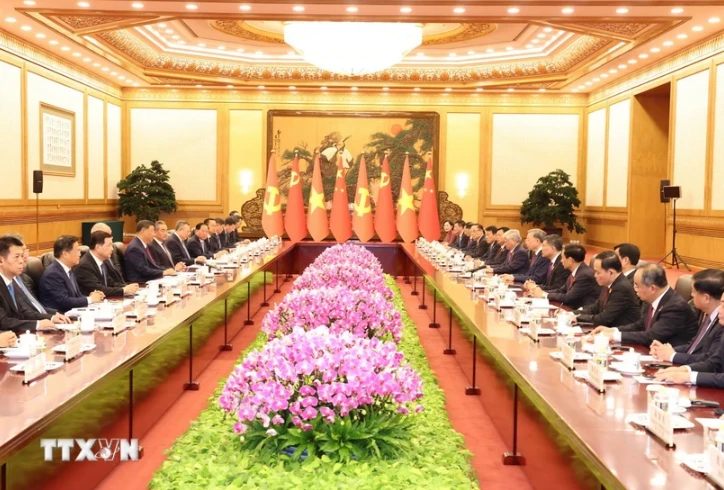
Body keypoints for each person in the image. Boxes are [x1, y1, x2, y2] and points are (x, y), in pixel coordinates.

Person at [591, 263, 699, 347]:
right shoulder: (653, 298)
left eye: (637, 285)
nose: (634, 289)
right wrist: (613, 330)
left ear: (652, 288)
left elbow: (652, 336)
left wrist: (614, 336)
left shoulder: (676, 307)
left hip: (672, 361)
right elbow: (640, 325)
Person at [650, 269, 724, 365]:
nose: (691, 295)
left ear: (706, 298)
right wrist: (667, 350)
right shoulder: (708, 314)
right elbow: (694, 345)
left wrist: (672, 356)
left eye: (693, 291)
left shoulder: (721, 321)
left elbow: (710, 359)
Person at [0, 235, 70, 332]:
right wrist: (37, 324)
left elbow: (23, 312)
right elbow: (3, 322)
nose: (21, 261)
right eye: (16, 257)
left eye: (21, 256)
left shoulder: (10, 281)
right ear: (1, 260)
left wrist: (51, 318)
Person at [38, 235, 105, 312]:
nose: (80, 254)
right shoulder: (53, 274)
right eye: (77, 251)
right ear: (65, 254)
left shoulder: (68, 269)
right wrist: (90, 299)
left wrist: (92, 296)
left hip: (73, 313)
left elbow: (76, 296)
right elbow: (64, 301)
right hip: (61, 317)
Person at [574, 251, 640, 327]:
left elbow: (604, 318)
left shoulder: (622, 288)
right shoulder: (608, 283)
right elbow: (595, 308)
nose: (595, 275)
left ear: (610, 272)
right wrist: (571, 313)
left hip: (621, 333)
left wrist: (577, 317)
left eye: (598, 272)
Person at [530, 243, 600, 309]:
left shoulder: (584, 275)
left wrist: (544, 295)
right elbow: (561, 290)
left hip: (581, 312)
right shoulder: (577, 271)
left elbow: (568, 297)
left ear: (570, 260)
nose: (561, 261)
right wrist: (538, 290)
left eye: (562, 258)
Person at [75, 231, 140, 297]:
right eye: (109, 245)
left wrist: (128, 287)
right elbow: (99, 289)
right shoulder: (85, 265)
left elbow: (111, 283)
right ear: (98, 247)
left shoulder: (103, 261)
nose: (112, 249)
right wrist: (123, 290)